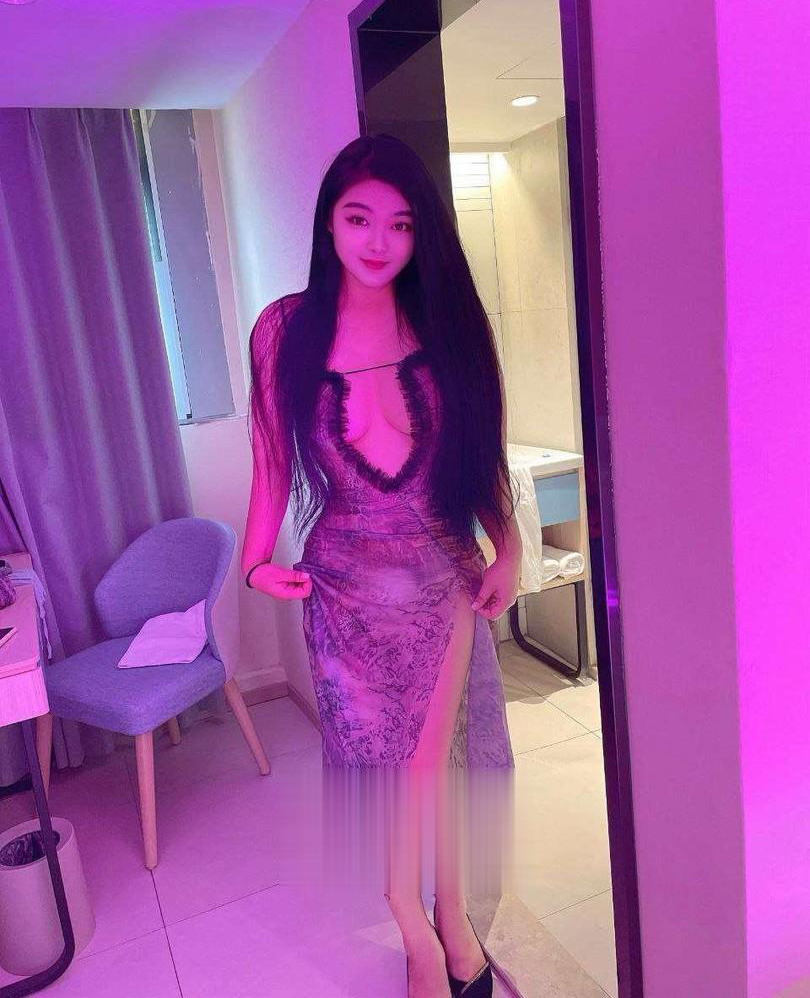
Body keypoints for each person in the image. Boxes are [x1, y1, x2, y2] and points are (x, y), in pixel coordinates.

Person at [241, 133, 521, 998]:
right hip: (343, 583)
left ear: (419, 233)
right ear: (328, 221)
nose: (378, 241)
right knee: (379, 773)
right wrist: (254, 560)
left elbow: (479, 449)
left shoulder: (444, 320)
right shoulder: (284, 328)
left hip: (440, 569)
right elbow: (271, 459)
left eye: (400, 224)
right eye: (359, 218)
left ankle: (448, 922)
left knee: (432, 766)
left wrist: (511, 545)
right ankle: (416, 932)